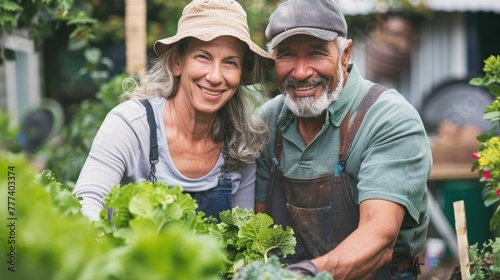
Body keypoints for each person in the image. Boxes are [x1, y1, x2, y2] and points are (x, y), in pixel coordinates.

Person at [255, 0, 432, 279]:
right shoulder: (268, 121)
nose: (301, 72)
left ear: (345, 53)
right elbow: (256, 226)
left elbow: (379, 238)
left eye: (316, 53)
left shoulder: (389, 119)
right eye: (287, 55)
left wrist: (303, 275)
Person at [73, 0, 273, 222]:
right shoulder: (132, 124)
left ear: (240, 73)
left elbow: (242, 233)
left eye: (230, 62)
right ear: (177, 62)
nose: (215, 77)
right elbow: (87, 200)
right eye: (203, 57)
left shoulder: (241, 142)